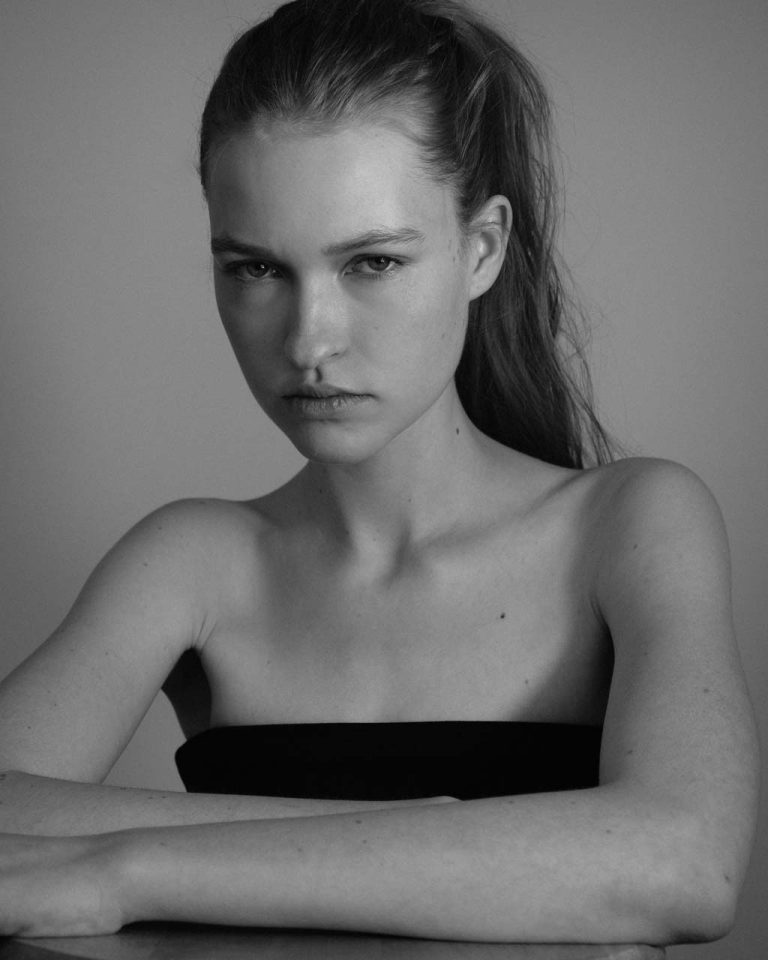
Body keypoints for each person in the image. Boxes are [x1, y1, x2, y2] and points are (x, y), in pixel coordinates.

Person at [0, 0, 758, 944]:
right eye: (255, 270)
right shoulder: (192, 560)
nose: (309, 342)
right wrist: (430, 845)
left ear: (481, 249)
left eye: (372, 262)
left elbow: (686, 864)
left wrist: (121, 871)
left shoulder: (629, 521)